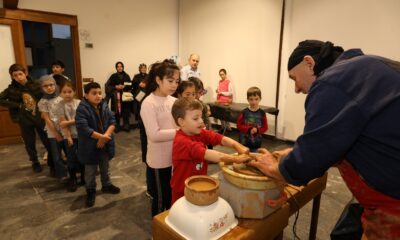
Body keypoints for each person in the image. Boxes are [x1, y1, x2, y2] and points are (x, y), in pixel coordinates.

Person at [249, 40, 400, 239]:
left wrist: (277, 170)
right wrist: (293, 152)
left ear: (309, 63)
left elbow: (308, 160)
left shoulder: (333, 80)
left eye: (294, 78)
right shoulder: (365, 68)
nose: (296, 88)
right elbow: (337, 138)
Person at [170, 98, 251, 205]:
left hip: (199, 185)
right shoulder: (182, 142)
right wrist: (235, 159)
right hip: (182, 191)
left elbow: (219, 138)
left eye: (201, 117)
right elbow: (208, 154)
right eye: (195, 118)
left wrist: (237, 146)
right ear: (181, 122)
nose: (201, 121)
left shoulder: (199, 133)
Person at [140, 59, 180, 217]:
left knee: (172, 195)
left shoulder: (175, 101)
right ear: (158, 79)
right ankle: (158, 230)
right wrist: (180, 131)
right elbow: (154, 135)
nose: (174, 85)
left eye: (176, 81)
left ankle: (168, 226)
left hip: (175, 156)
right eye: (170, 81)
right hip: (158, 160)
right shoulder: (148, 103)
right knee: (160, 198)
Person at [0, 64, 53, 173]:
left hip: (39, 116)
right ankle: (35, 162)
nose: (19, 77)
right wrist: (16, 105)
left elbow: (47, 95)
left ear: (25, 73)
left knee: (47, 139)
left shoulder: (37, 84)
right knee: (29, 142)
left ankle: (52, 161)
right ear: (12, 77)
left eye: (20, 74)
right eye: (15, 75)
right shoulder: (11, 90)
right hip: (24, 119)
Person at [76, 82, 120, 208]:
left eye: (99, 93)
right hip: (89, 146)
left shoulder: (104, 105)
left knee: (105, 167)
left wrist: (104, 137)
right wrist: (101, 137)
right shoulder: (82, 108)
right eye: (94, 93)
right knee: (90, 171)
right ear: (86, 95)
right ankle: (90, 190)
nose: (98, 96)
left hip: (104, 144)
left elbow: (112, 121)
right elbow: (83, 127)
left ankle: (106, 185)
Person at [37, 75, 67, 181]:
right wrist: (56, 133)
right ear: (41, 88)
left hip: (65, 129)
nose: (49, 87)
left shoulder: (62, 98)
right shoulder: (42, 102)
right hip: (53, 132)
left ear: (55, 85)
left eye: (51, 85)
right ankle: (62, 174)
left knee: (70, 152)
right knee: (56, 155)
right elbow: (47, 118)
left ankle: (73, 171)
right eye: (45, 86)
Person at [57, 81, 85, 192]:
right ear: (61, 93)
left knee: (83, 155)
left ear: (74, 92)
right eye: (64, 92)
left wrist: (68, 123)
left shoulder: (79, 103)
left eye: (70, 91)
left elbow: (81, 119)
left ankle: (83, 177)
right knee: (71, 157)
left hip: (82, 134)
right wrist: (68, 137)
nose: (67, 94)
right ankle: (72, 179)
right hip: (69, 135)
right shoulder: (59, 105)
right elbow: (62, 122)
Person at [237, 87, 268, 152]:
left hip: (256, 143)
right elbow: (239, 125)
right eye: (251, 99)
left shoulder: (262, 113)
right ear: (248, 99)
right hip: (243, 142)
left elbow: (265, 127)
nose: (254, 102)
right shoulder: (244, 112)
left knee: (254, 159)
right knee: (243, 159)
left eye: (256, 99)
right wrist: (249, 129)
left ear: (260, 99)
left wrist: (257, 130)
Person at [105, 61, 132, 132]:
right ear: (116, 68)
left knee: (125, 111)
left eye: (121, 66)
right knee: (117, 111)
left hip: (125, 96)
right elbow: (107, 85)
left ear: (123, 67)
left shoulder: (127, 76)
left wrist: (124, 86)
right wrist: (116, 87)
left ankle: (126, 125)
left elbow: (130, 85)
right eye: (118, 66)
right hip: (116, 96)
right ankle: (117, 125)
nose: (120, 68)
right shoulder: (113, 76)